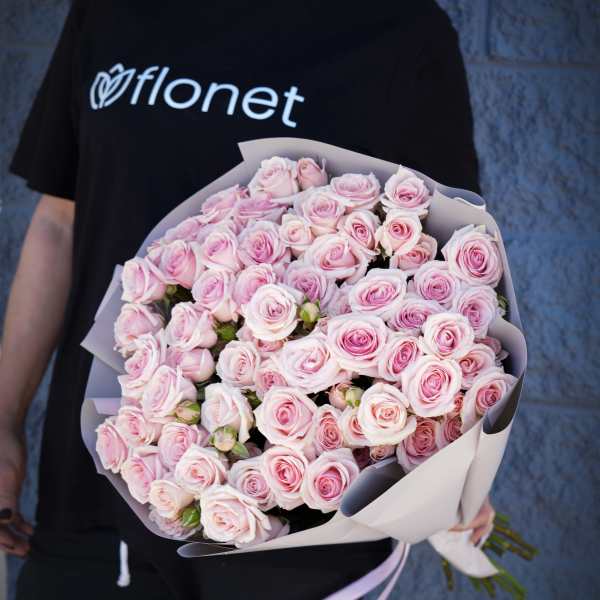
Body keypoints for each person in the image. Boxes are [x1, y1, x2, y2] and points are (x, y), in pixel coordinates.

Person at [0, 1, 494, 598]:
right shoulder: (108, 12)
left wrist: (454, 456)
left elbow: (444, 261)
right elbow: (59, 221)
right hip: (97, 485)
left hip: (298, 522)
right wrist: (4, 420)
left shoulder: (399, 29)